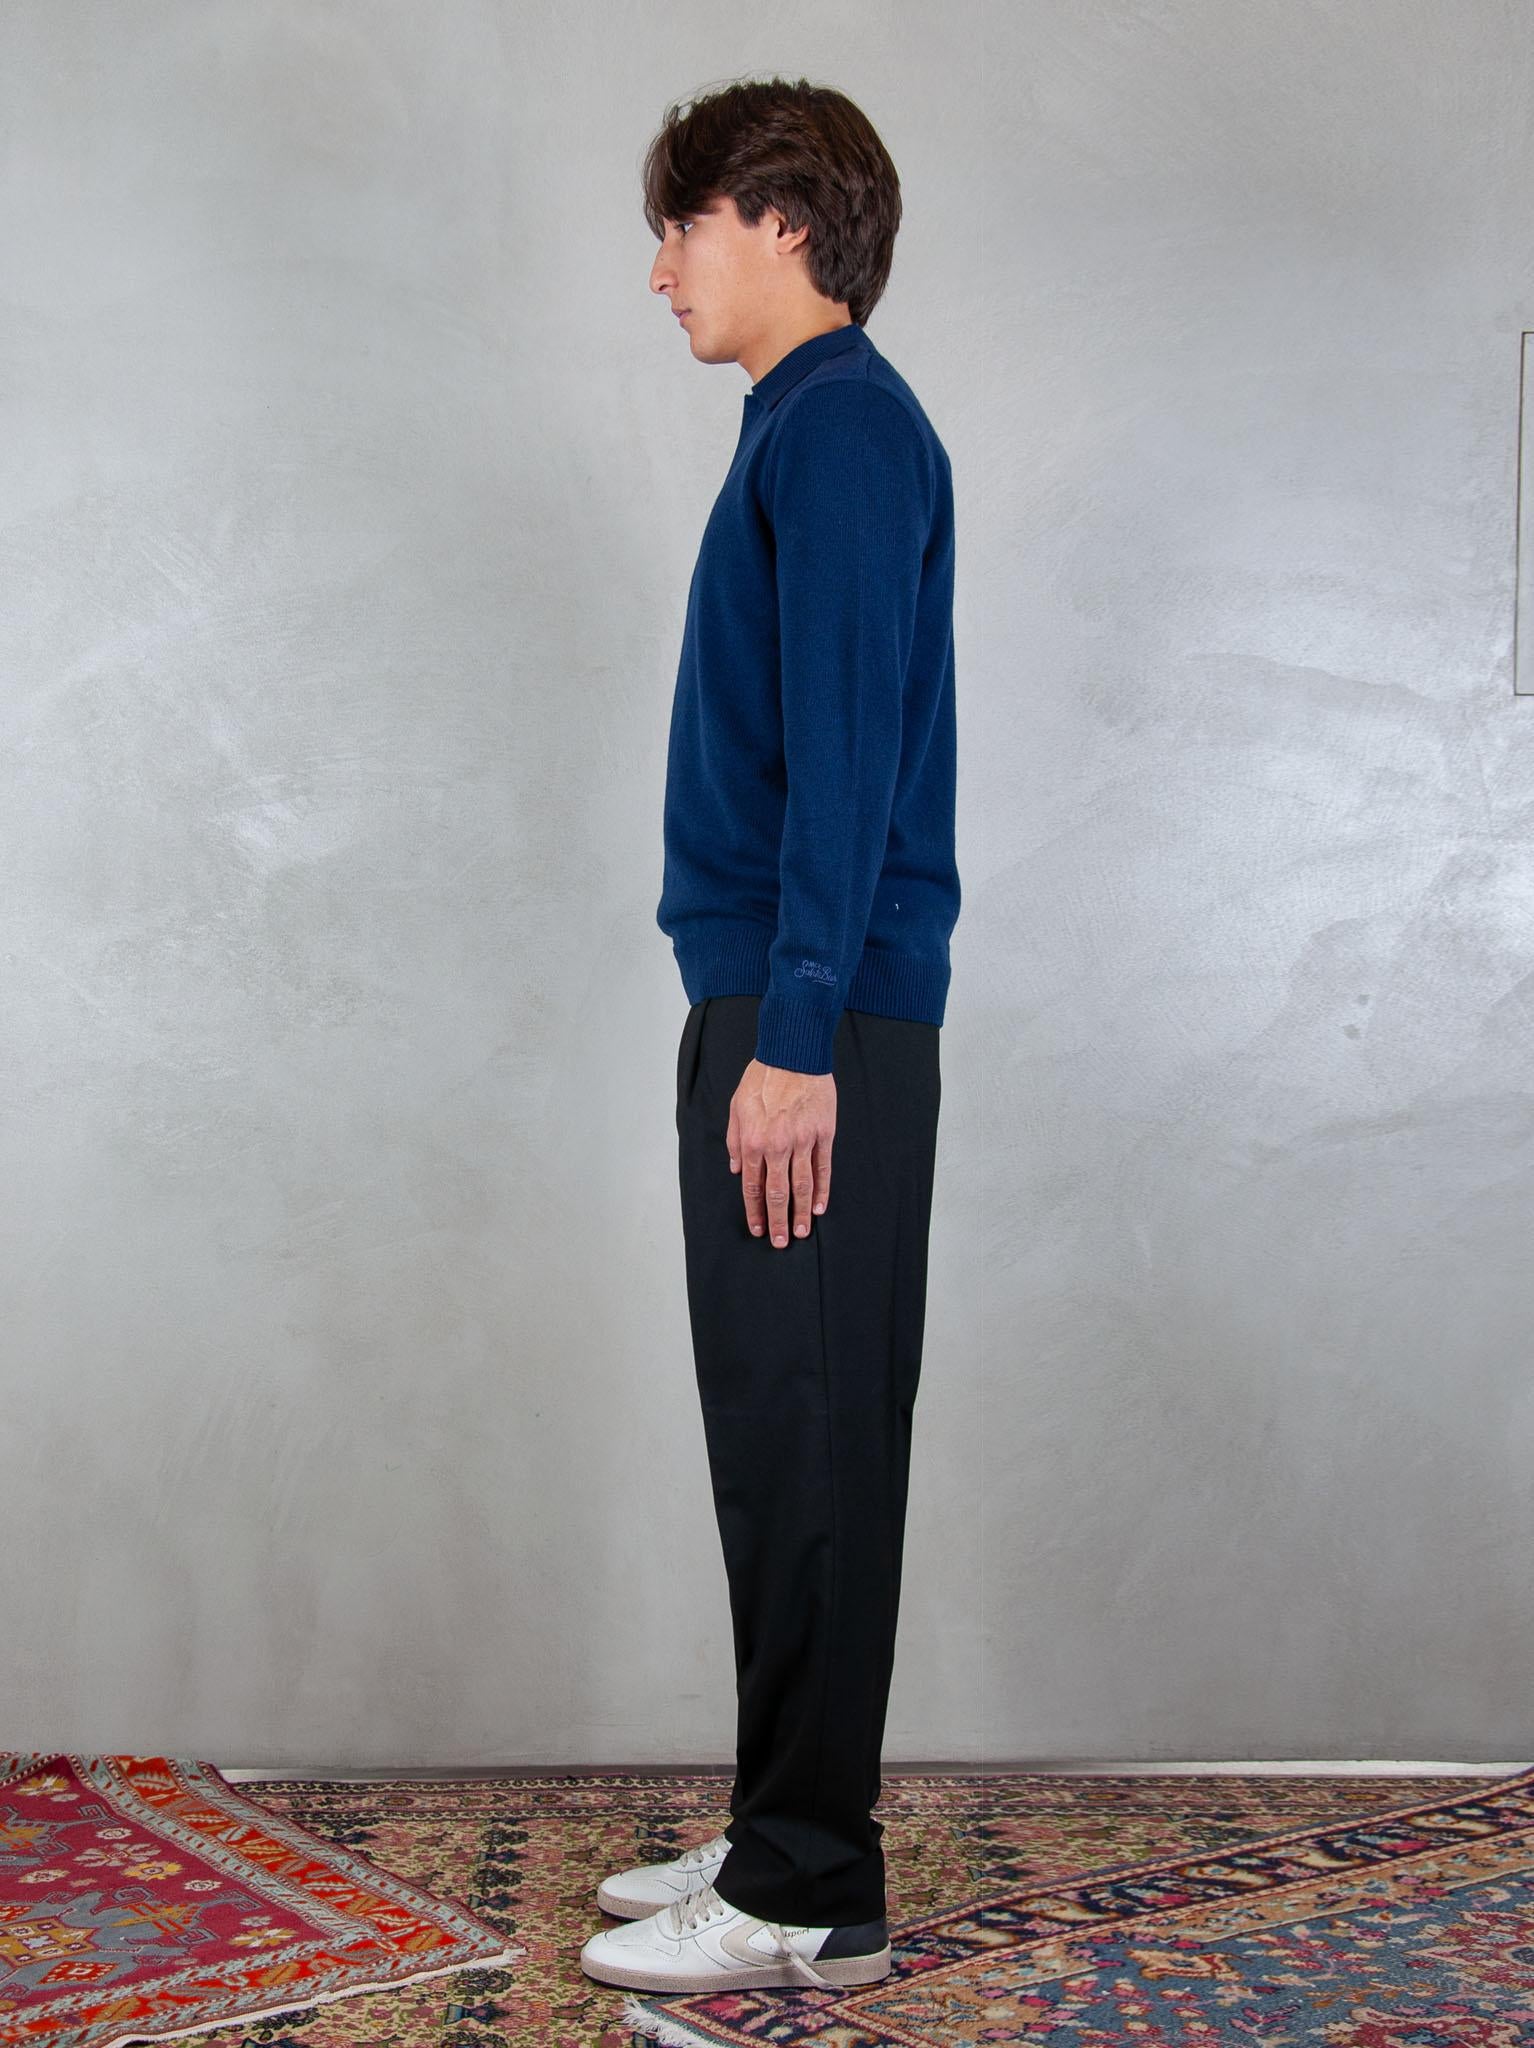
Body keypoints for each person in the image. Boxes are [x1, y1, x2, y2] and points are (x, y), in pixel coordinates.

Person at [580, 72, 960, 2000]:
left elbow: (850, 751)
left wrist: (794, 1035)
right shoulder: (801, 426)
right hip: (778, 1002)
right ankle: (776, 1827)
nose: (661, 268)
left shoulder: (843, 430)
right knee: (774, 1431)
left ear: (783, 221)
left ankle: (809, 1881)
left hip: (814, 1017)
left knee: (806, 1434)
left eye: (683, 225)